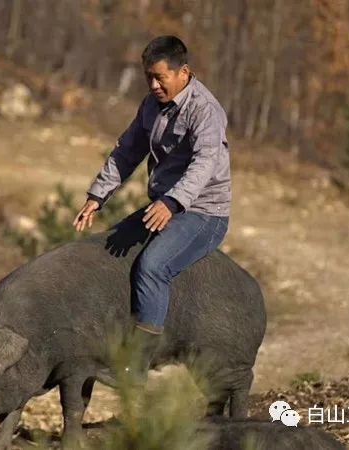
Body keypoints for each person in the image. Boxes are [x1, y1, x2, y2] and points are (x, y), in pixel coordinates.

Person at [72, 35, 231, 376]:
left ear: (183, 72)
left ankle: (137, 366)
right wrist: (97, 196)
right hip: (164, 204)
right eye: (149, 77)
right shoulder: (150, 106)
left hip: (203, 212)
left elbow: (204, 164)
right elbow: (127, 150)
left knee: (153, 267)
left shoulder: (206, 111)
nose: (154, 85)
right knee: (108, 248)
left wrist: (172, 202)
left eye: (161, 77)